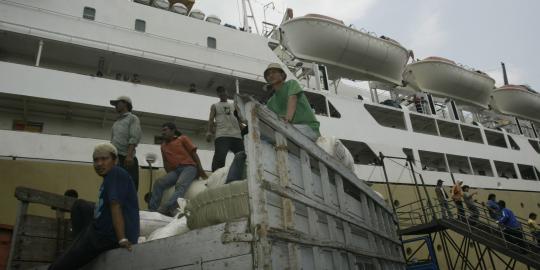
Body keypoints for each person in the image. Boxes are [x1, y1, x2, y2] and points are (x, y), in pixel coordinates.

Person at [49, 143, 139, 270]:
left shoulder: (115, 173)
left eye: (104, 159)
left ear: (115, 160)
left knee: (58, 267)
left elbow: (115, 205)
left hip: (106, 235)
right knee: (80, 205)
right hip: (102, 230)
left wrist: (122, 239)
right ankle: (78, 244)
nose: (99, 164)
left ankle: (77, 247)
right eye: (96, 160)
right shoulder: (112, 177)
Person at [148, 123, 207, 216]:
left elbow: (194, 154)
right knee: (159, 183)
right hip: (175, 171)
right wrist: (169, 178)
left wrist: (200, 169)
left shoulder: (183, 138)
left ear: (172, 131)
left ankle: (167, 207)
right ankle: (152, 210)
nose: (163, 132)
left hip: (189, 167)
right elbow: (166, 163)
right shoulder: (163, 146)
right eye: (162, 130)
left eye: (165, 130)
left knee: (180, 184)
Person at [263, 63, 320, 141]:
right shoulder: (270, 102)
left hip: (309, 128)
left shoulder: (291, 84)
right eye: (268, 74)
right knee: (263, 136)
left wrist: (288, 119)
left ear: (282, 75)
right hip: (289, 129)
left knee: (280, 132)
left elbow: (292, 98)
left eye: (274, 72)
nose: (271, 75)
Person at [207, 86, 244, 172]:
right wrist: (209, 131)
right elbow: (211, 119)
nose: (222, 93)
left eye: (223, 91)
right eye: (220, 92)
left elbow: (238, 119)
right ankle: (216, 175)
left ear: (227, 92)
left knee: (243, 156)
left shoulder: (234, 105)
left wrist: (245, 130)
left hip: (237, 135)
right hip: (222, 135)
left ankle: (242, 173)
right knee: (220, 156)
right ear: (218, 94)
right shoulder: (215, 106)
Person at [110, 96, 142, 190]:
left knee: (129, 187)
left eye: (117, 103)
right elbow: (112, 141)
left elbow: (134, 137)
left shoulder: (133, 118)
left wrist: (129, 155)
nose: (115, 106)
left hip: (126, 158)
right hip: (116, 159)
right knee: (115, 186)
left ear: (125, 103)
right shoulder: (116, 123)